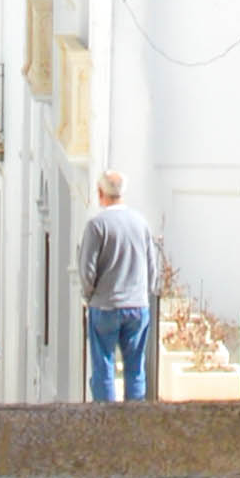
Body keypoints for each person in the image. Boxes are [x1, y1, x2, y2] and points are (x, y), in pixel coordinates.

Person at [78, 166, 161, 405]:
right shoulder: (140, 223)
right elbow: (151, 265)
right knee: (135, 366)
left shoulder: (97, 225)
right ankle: (135, 417)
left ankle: (106, 418)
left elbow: (87, 270)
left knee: (103, 364)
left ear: (100, 192)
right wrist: (147, 292)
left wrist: (89, 295)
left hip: (105, 306)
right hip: (137, 306)